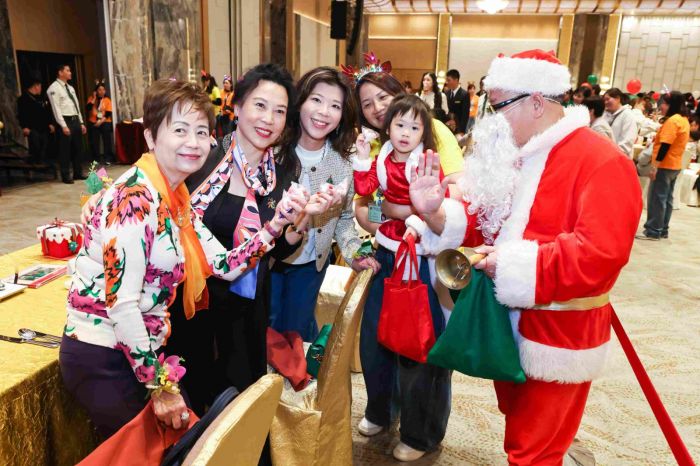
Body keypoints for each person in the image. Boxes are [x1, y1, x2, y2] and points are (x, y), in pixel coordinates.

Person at [408, 49, 642, 465]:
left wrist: (511, 264)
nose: (490, 118)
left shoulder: (602, 161)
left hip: (558, 336)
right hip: (506, 326)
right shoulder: (516, 154)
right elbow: (484, 224)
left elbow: (600, 255)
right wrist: (435, 213)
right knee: (521, 430)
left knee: (532, 451)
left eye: (498, 106)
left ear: (536, 102)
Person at [59, 79, 306, 439]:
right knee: (164, 449)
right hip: (104, 355)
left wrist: (276, 225)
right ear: (150, 137)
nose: (193, 142)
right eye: (179, 130)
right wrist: (159, 386)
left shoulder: (175, 199)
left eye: (201, 131)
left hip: (137, 351)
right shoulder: (135, 199)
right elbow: (122, 306)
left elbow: (225, 265)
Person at [164, 64, 314, 422]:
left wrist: (297, 227)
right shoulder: (203, 158)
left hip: (247, 311)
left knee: (241, 412)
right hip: (194, 307)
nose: (269, 119)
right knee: (194, 407)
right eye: (260, 105)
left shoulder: (283, 172)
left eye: (279, 111)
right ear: (238, 105)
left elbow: (277, 250)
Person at [353, 94, 451, 462]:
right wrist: (362, 161)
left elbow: (437, 207)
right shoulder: (381, 158)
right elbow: (368, 196)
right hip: (385, 253)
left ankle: (419, 434)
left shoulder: (427, 163)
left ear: (425, 132)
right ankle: (381, 411)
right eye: (399, 125)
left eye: (414, 127)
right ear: (387, 126)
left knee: (416, 345)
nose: (406, 133)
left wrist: (411, 220)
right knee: (374, 339)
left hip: (418, 258)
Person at [269, 67, 380, 341]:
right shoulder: (271, 152)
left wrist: (355, 253)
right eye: (316, 100)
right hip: (267, 263)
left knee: (295, 337)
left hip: (310, 266)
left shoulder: (342, 163)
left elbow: (343, 221)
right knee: (264, 333)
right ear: (300, 101)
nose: (323, 112)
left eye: (335, 106)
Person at [349, 63, 464, 237]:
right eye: (367, 104)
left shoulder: (433, 129)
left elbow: (460, 187)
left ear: (398, 94)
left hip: (435, 240)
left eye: (382, 97)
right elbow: (361, 207)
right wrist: (393, 233)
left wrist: (399, 210)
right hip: (391, 240)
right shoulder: (369, 145)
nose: (377, 108)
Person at [638, 91, 690, 240]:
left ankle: (653, 230)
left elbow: (665, 145)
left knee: (657, 198)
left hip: (664, 164)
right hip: (675, 164)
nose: (662, 106)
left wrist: (655, 166)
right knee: (666, 199)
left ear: (672, 105)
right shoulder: (683, 119)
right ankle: (662, 229)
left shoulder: (672, 121)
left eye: (665, 104)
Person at [47, 64, 86, 183]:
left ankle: (78, 172)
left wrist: (81, 122)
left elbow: (76, 105)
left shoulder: (70, 88)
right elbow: (56, 109)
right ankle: (65, 175)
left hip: (75, 119)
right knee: (65, 150)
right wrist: (63, 125)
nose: (70, 72)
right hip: (65, 120)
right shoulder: (54, 88)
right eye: (67, 70)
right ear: (60, 72)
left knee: (77, 147)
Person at [17, 79, 55, 165]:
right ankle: (34, 165)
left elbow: (46, 112)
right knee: (35, 147)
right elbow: (22, 114)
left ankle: (42, 165)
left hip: (44, 127)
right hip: (32, 128)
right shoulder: (23, 99)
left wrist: (50, 123)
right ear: (36, 86)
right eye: (40, 86)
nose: (41, 89)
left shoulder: (41, 98)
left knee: (44, 147)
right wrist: (24, 126)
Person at [604, 87, 638, 158]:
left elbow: (627, 141)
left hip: (619, 157)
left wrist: (613, 154)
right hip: (607, 155)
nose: (605, 102)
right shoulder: (606, 114)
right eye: (604, 100)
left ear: (618, 98)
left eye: (607, 99)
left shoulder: (628, 115)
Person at [86, 82, 114, 165]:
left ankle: (108, 158)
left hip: (105, 121)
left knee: (107, 140)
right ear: (96, 91)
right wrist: (94, 98)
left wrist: (101, 121)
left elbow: (108, 113)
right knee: (94, 141)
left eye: (103, 90)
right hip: (93, 122)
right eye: (99, 90)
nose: (101, 91)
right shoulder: (91, 98)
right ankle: (96, 158)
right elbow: (88, 108)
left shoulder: (107, 100)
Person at [443, 69, 469, 135]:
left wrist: (462, 131)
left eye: (449, 80)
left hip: (458, 128)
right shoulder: (446, 93)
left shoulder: (464, 94)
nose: (447, 82)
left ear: (456, 80)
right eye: (446, 80)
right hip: (447, 128)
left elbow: (465, 115)